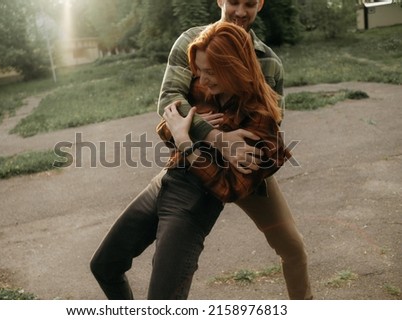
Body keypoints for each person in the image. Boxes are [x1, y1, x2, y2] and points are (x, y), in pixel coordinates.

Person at [90, 21, 290, 300]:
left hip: (193, 204)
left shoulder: (261, 123)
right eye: (199, 71)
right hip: (165, 181)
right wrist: (194, 128)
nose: (201, 80)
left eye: (210, 73)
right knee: (104, 266)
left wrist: (187, 141)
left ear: (234, 68)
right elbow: (166, 125)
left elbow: (228, 188)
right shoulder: (204, 92)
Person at [155, 0, 312, 299]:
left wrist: (197, 121)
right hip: (193, 164)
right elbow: (169, 104)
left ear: (260, 4)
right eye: (234, 2)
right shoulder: (191, 42)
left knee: (293, 249)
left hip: (243, 168)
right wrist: (215, 136)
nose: (240, 11)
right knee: (150, 251)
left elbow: (267, 127)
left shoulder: (269, 62)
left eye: (249, 3)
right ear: (220, 1)